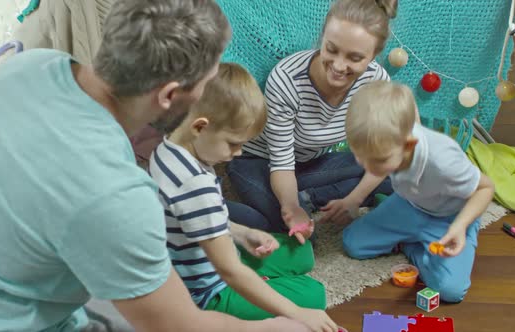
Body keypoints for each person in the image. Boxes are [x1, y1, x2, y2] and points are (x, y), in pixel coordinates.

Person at [0, 0, 309, 331]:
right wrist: (286, 324)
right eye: (207, 82)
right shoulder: (117, 197)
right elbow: (181, 326)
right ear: (170, 94)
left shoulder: (33, 64)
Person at [149, 63, 338, 332]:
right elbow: (230, 271)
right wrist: (298, 313)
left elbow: (197, 221)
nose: (238, 153)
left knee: (303, 253)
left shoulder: (167, 148)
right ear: (200, 127)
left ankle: (261, 276)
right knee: (313, 295)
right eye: (233, 143)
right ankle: (262, 285)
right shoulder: (194, 184)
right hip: (207, 294)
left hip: (210, 252)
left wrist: (241, 233)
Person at [226, 0, 400, 242]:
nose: (339, 66)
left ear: (374, 55)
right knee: (296, 233)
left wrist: (354, 200)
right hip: (260, 162)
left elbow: (383, 154)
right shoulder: (287, 79)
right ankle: (307, 197)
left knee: (399, 175)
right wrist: (291, 208)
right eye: (331, 49)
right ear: (323, 37)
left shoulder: (376, 81)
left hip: (310, 164)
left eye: (355, 58)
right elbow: (282, 163)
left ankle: (310, 194)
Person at [342, 81, 495, 302]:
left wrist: (460, 226)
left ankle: (413, 241)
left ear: (409, 146)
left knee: (450, 290)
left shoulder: (443, 161)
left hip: (450, 217)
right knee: (352, 243)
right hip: (410, 204)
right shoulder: (385, 143)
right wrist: (353, 198)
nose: (368, 166)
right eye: (360, 156)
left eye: (379, 160)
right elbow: (380, 159)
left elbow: (485, 188)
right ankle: (410, 239)